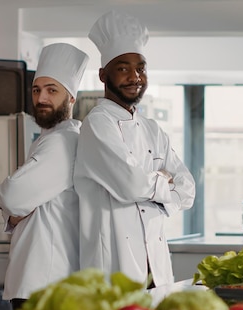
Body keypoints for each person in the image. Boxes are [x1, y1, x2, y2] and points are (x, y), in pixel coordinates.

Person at [74, 10, 196, 289]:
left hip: (157, 266)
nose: (135, 76)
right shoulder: (97, 124)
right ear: (103, 75)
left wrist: (151, 185)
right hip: (114, 267)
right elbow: (130, 184)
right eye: (123, 68)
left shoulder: (152, 128)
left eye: (140, 67)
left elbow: (188, 190)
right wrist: (164, 181)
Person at [0, 43, 89, 310]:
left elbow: (12, 197)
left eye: (52, 90)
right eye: (37, 90)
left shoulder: (62, 142)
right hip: (42, 281)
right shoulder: (49, 140)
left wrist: (9, 207)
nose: (41, 98)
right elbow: (16, 201)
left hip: (45, 284)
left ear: (71, 97)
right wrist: (13, 208)